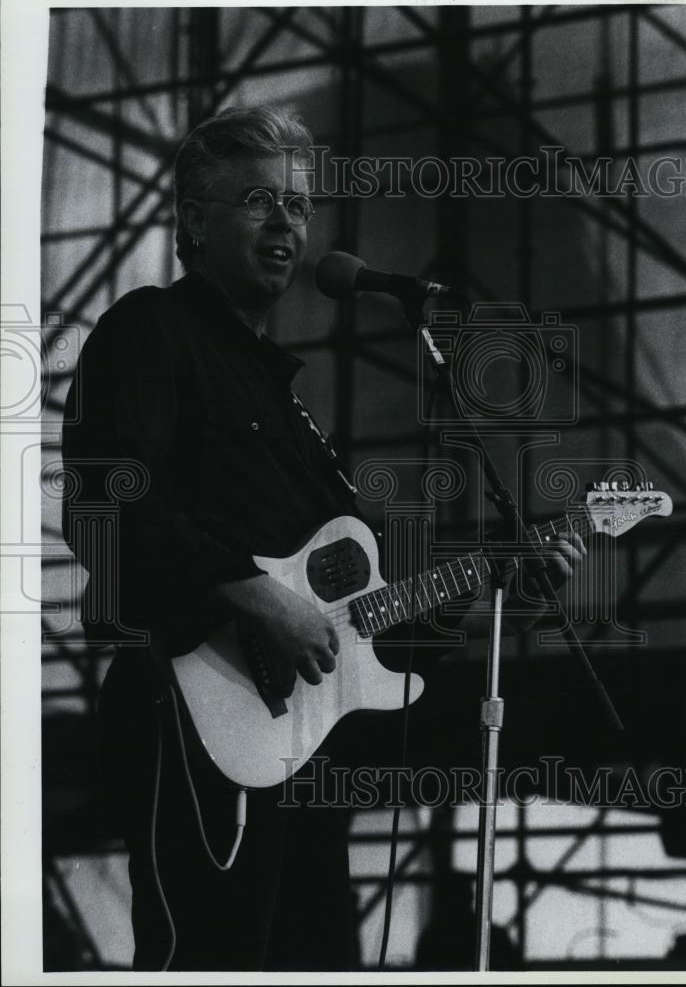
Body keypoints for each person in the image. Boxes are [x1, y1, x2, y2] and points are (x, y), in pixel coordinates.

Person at [61, 104, 585, 972]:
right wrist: (256, 596)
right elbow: (100, 502)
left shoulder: (287, 404)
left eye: (299, 206)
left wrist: (501, 580)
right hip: (187, 714)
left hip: (298, 745)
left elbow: (360, 624)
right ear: (194, 219)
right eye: (260, 201)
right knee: (208, 958)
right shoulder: (150, 331)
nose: (287, 224)